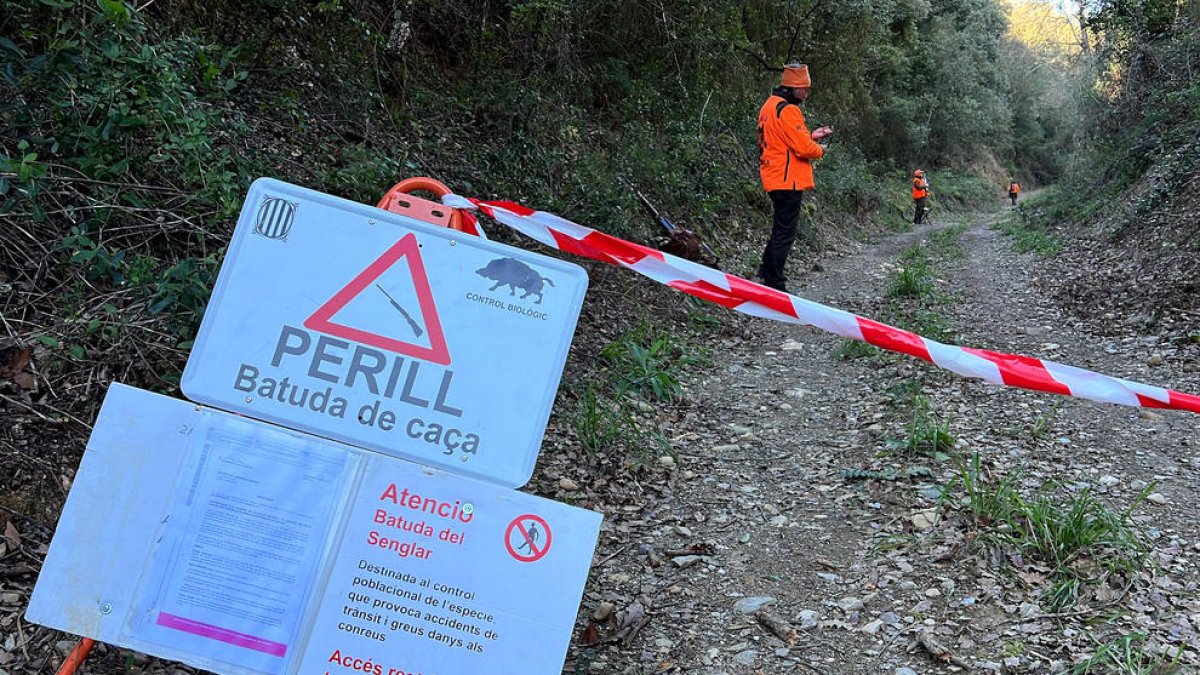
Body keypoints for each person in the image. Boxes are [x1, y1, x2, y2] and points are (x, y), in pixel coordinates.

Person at [754, 63, 832, 293]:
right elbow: (803, 149)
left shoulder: (769, 105)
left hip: (773, 176)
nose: (806, 94)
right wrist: (820, 149)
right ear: (794, 87)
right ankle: (775, 283)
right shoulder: (788, 109)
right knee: (785, 232)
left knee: (780, 228)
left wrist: (812, 135)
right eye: (805, 89)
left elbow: (784, 140)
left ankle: (765, 272)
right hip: (788, 180)